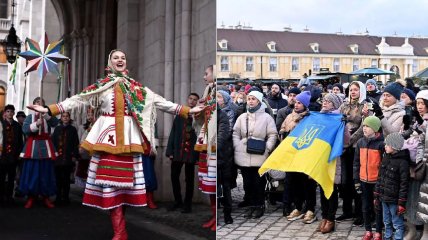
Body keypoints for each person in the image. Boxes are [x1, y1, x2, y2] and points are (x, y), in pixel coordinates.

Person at [28, 50, 204, 239]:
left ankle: (120, 229)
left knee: (126, 188)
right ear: (110, 62)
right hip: (107, 141)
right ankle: (120, 231)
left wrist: (189, 110)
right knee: (111, 187)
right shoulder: (101, 86)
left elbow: (161, 102)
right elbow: (78, 99)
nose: (120, 60)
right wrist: (49, 109)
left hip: (130, 141)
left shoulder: (136, 87)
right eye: (116, 58)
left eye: (123, 58)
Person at [233, 91, 277, 219]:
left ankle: (259, 206)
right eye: (249, 99)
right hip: (244, 155)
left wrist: (267, 147)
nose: (250, 101)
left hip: (260, 154)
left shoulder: (267, 117)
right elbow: (235, 133)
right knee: (247, 183)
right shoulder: (242, 117)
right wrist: (238, 145)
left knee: (259, 182)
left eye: (253, 99)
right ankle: (251, 206)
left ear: (259, 101)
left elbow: (272, 134)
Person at [280, 91, 317, 224]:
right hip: (292, 155)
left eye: (299, 102)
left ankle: (310, 209)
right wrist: (283, 135)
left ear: (305, 104)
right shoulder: (289, 116)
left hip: (305, 155)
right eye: (295, 102)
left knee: (308, 183)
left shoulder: (310, 118)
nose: (296, 104)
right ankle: (298, 207)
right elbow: (283, 129)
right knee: (294, 183)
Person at [338, 81, 369, 226]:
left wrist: (350, 139)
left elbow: (364, 126)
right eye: (351, 89)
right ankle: (346, 210)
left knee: (357, 179)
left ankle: (359, 213)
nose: (353, 92)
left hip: (357, 146)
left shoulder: (366, 105)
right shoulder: (344, 105)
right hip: (344, 147)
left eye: (356, 90)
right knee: (345, 181)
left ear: (361, 91)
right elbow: (338, 120)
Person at [318, 93, 349, 234]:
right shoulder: (318, 117)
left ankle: (331, 219)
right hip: (321, 157)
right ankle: (324, 217)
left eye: (328, 101)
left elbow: (347, 141)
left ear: (335, 104)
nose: (325, 103)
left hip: (333, 158)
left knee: (331, 190)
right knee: (322, 188)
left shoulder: (339, 119)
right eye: (324, 100)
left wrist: (343, 126)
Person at [20, 97, 59, 209]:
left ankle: (46, 196)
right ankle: (31, 197)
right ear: (33, 105)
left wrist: (46, 115)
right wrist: (36, 125)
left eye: (41, 103)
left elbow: (55, 123)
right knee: (32, 173)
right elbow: (25, 129)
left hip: (46, 148)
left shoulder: (48, 116)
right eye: (37, 102)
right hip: (33, 148)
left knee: (46, 172)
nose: (39, 104)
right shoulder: (30, 117)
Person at [165, 93, 200, 213]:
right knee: (174, 176)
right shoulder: (180, 115)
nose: (192, 101)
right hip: (178, 152)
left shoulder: (198, 116)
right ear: (187, 99)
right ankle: (177, 201)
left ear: (197, 102)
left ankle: (187, 204)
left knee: (189, 179)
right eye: (190, 99)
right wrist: (170, 151)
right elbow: (173, 133)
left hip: (191, 152)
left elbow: (199, 135)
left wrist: (198, 154)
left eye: (195, 100)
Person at [194, 65, 217, 231]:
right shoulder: (208, 91)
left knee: (214, 182)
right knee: (208, 183)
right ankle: (213, 216)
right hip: (206, 136)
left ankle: (217, 218)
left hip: (213, 140)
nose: (204, 77)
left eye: (206, 73)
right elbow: (202, 117)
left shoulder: (216, 92)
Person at [375, 132, 410, 240]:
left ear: (394, 146)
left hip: (395, 200)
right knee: (386, 221)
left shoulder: (403, 163)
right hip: (384, 197)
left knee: (397, 222)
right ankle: (387, 237)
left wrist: (401, 202)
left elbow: (404, 184)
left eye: (387, 144)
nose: (385, 146)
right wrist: (376, 195)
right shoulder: (385, 158)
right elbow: (380, 177)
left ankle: (398, 238)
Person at [354, 116, 384, 240]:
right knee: (365, 206)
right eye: (364, 126)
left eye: (368, 126)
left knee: (377, 206)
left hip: (376, 181)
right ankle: (367, 230)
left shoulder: (381, 144)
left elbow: (384, 165)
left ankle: (378, 231)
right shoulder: (360, 142)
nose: (364, 128)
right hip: (363, 180)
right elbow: (356, 163)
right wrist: (356, 180)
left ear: (375, 128)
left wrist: (382, 181)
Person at [51, 112, 79, 206]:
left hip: (68, 158)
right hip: (58, 158)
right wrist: (53, 155)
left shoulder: (73, 129)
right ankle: (58, 197)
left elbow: (76, 143)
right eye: (63, 116)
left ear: (69, 118)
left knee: (66, 179)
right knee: (58, 179)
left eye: (67, 116)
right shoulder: (57, 129)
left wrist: (75, 156)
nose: (65, 118)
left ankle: (66, 198)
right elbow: (53, 142)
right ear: (61, 118)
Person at [0, 104, 23, 206]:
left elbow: (20, 141)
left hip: (13, 156)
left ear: (14, 113)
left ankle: (9, 197)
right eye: (8, 111)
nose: (10, 113)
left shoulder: (17, 126)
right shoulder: (1, 125)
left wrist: (19, 153)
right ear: (5, 113)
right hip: (3, 156)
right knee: (1, 178)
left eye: (11, 111)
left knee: (11, 178)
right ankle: (1, 198)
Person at [217, 107, 234, 224]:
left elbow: (222, 135)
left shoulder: (221, 115)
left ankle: (227, 213)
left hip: (223, 157)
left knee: (225, 186)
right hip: (213, 156)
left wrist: (213, 148)